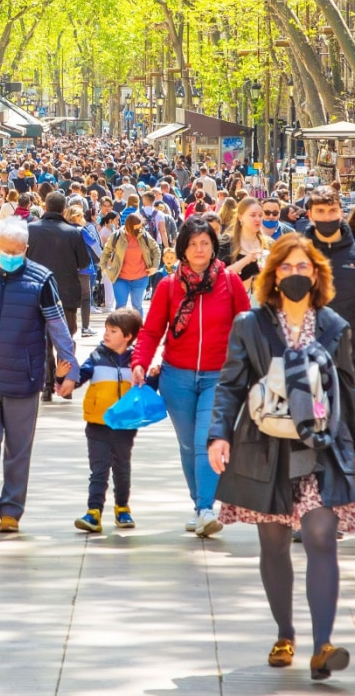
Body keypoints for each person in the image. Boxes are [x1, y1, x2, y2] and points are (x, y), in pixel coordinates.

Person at [207, 232, 355, 678]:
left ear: (317, 274)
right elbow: (230, 384)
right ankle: (285, 632)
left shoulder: (334, 327)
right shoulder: (250, 324)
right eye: (286, 267)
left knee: (322, 536)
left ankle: (323, 645)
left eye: (304, 267)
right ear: (273, 274)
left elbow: (348, 388)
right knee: (274, 543)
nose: (295, 274)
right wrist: (218, 435)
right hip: (267, 448)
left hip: (322, 447)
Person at [0, 218, 80, 533]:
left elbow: (59, 329)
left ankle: (11, 510)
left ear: (26, 249)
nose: (11, 255)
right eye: (6, 250)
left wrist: (70, 369)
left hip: (23, 377)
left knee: (19, 448)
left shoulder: (41, 279)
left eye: (17, 251)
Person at [132, 217, 252, 536]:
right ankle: (199, 505)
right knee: (188, 446)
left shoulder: (230, 282)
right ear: (182, 249)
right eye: (193, 243)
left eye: (205, 243)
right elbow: (152, 330)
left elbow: (247, 327)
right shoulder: (169, 286)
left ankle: (205, 508)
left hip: (219, 378)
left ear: (214, 247)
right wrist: (140, 363)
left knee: (205, 442)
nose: (199, 249)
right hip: (177, 379)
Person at [303, 187, 355, 384]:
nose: (327, 217)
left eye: (332, 211)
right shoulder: (298, 255)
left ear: (341, 212)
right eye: (320, 211)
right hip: (304, 361)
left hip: (350, 363)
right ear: (310, 215)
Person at [72, 308, 141, 534]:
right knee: (99, 468)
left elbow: (147, 385)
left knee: (122, 467)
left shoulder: (136, 361)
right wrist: (66, 377)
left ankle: (122, 507)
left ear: (128, 336)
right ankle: (94, 511)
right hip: (97, 423)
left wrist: (157, 375)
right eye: (106, 330)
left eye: (113, 331)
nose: (106, 334)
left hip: (124, 426)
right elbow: (80, 375)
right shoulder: (96, 357)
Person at [27, 192, 92, 335]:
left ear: (45, 207)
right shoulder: (73, 232)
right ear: (64, 210)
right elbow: (84, 262)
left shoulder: (30, 229)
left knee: (42, 338)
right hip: (66, 293)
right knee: (66, 338)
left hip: (36, 292)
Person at [101, 212, 160, 314]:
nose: (138, 230)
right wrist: (105, 267)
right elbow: (106, 251)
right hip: (120, 278)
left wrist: (154, 266)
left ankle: (139, 330)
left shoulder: (144, 235)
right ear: (129, 226)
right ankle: (121, 329)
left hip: (140, 277)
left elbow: (156, 250)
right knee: (120, 307)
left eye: (140, 227)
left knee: (137, 306)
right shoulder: (117, 236)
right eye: (136, 228)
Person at [223, 197, 275, 287]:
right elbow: (221, 276)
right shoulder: (226, 243)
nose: (258, 219)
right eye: (253, 215)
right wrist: (246, 260)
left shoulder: (270, 244)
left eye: (260, 215)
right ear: (240, 217)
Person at [65, 203, 99, 335]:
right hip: (83, 268)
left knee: (68, 298)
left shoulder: (64, 230)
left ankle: (69, 328)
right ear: (77, 217)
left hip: (67, 268)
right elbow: (94, 244)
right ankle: (85, 328)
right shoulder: (82, 231)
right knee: (85, 297)